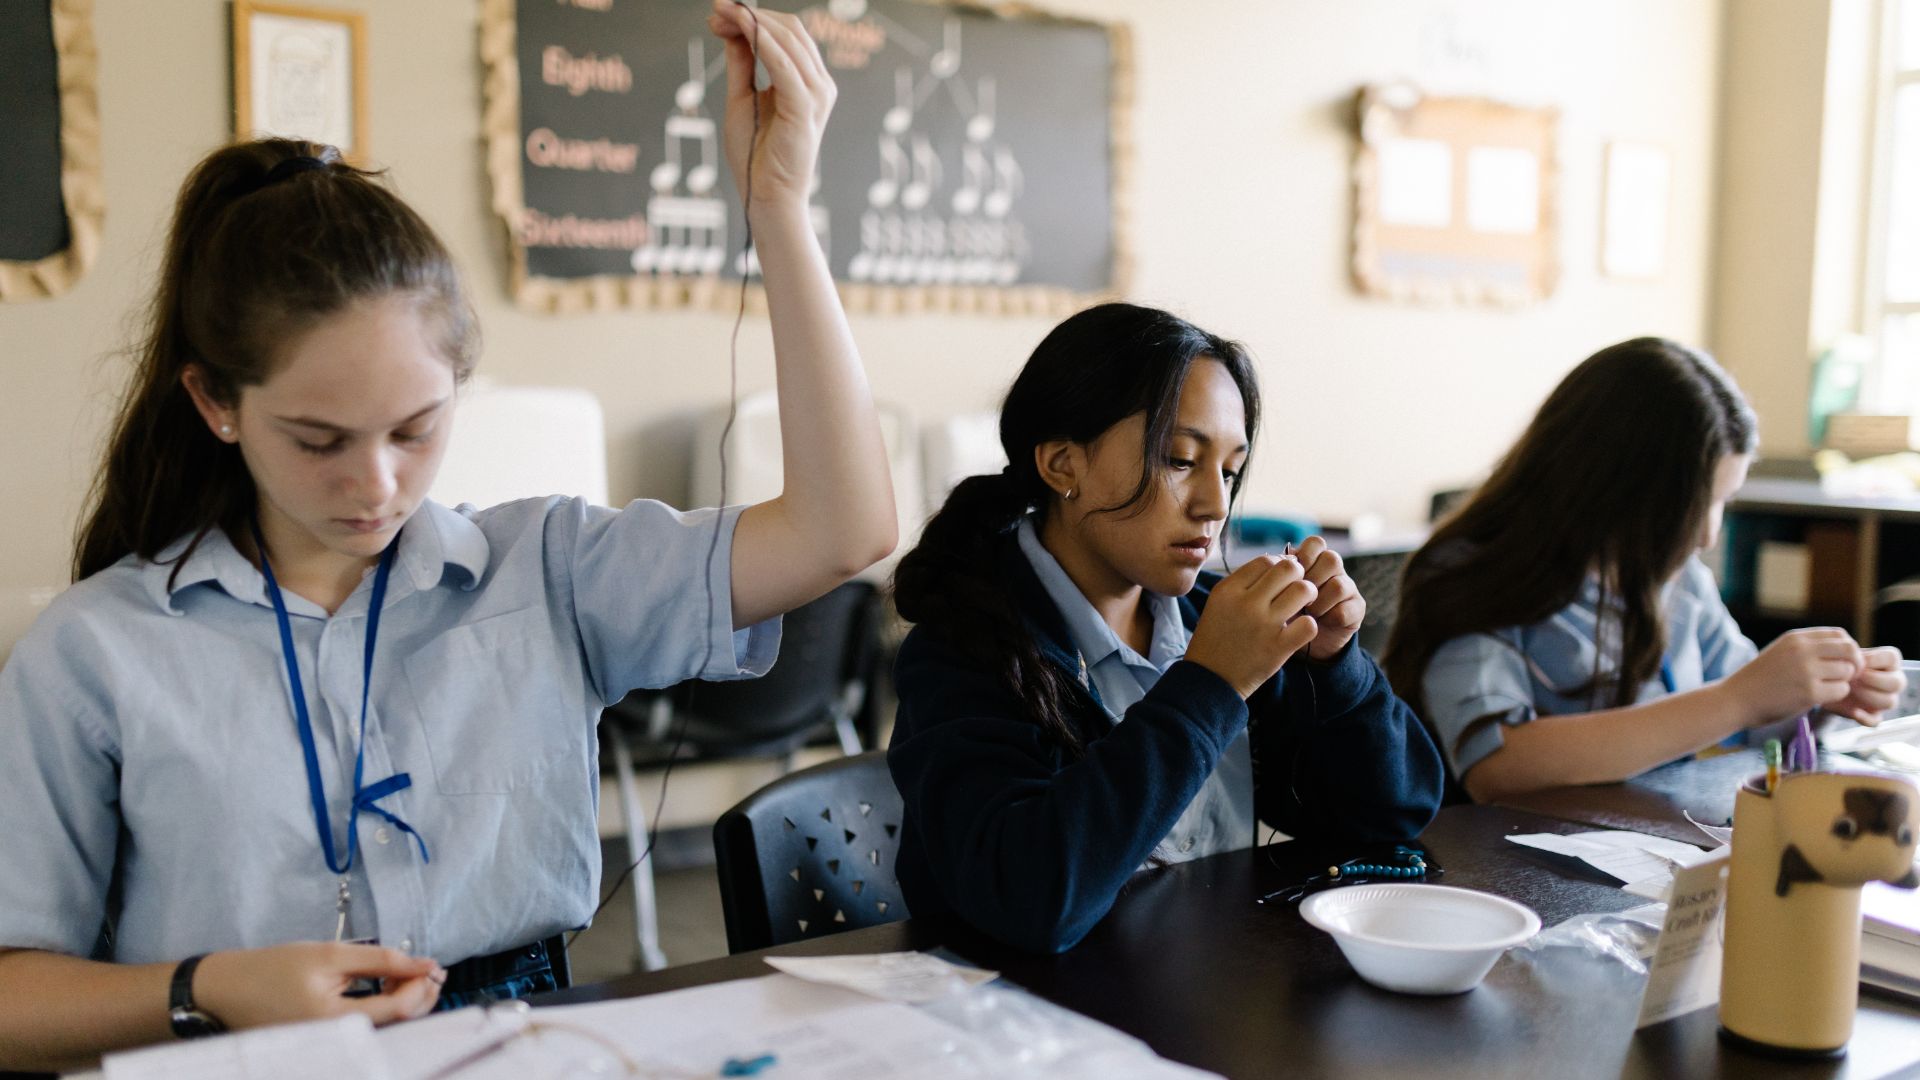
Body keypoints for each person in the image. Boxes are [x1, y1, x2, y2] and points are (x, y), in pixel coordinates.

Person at [0, 2, 895, 1069]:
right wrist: (208, 990)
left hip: (520, 1045)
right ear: (215, 403)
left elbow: (842, 532)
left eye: (415, 429)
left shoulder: (548, 570)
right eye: (317, 439)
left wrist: (779, 209)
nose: (374, 484)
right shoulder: (96, 649)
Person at [886, 302, 1445, 954]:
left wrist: (1333, 666)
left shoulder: (1222, 617)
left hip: (1200, 990)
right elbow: (1032, 900)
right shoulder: (965, 649)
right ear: (1063, 464)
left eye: (1230, 470)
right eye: (1181, 460)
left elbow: (1393, 816)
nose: (1215, 504)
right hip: (1036, 1028)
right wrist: (1209, 684)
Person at [1384, 337, 1904, 802]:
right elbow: (1496, 767)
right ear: (1613, 486)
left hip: (1643, 857)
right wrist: (1738, 699)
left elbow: (1749, 718)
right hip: (1500, 873)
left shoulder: (1679, 581)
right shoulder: (1471, 572)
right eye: (1693, 507)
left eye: (1722, 502)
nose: (1708, 535)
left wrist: (1818, 697)